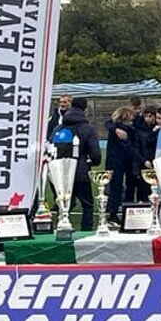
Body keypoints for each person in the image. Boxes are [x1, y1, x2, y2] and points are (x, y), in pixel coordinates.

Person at [62, 97, 101, 231]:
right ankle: (86, 230)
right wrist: (94, 162)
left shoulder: (59, 127)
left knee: (64, 202)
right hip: (80, 169)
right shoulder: (88, 128)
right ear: (85, 109)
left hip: (61, 170)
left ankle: (62, 226)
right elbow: (95, 153)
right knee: (87, 204)